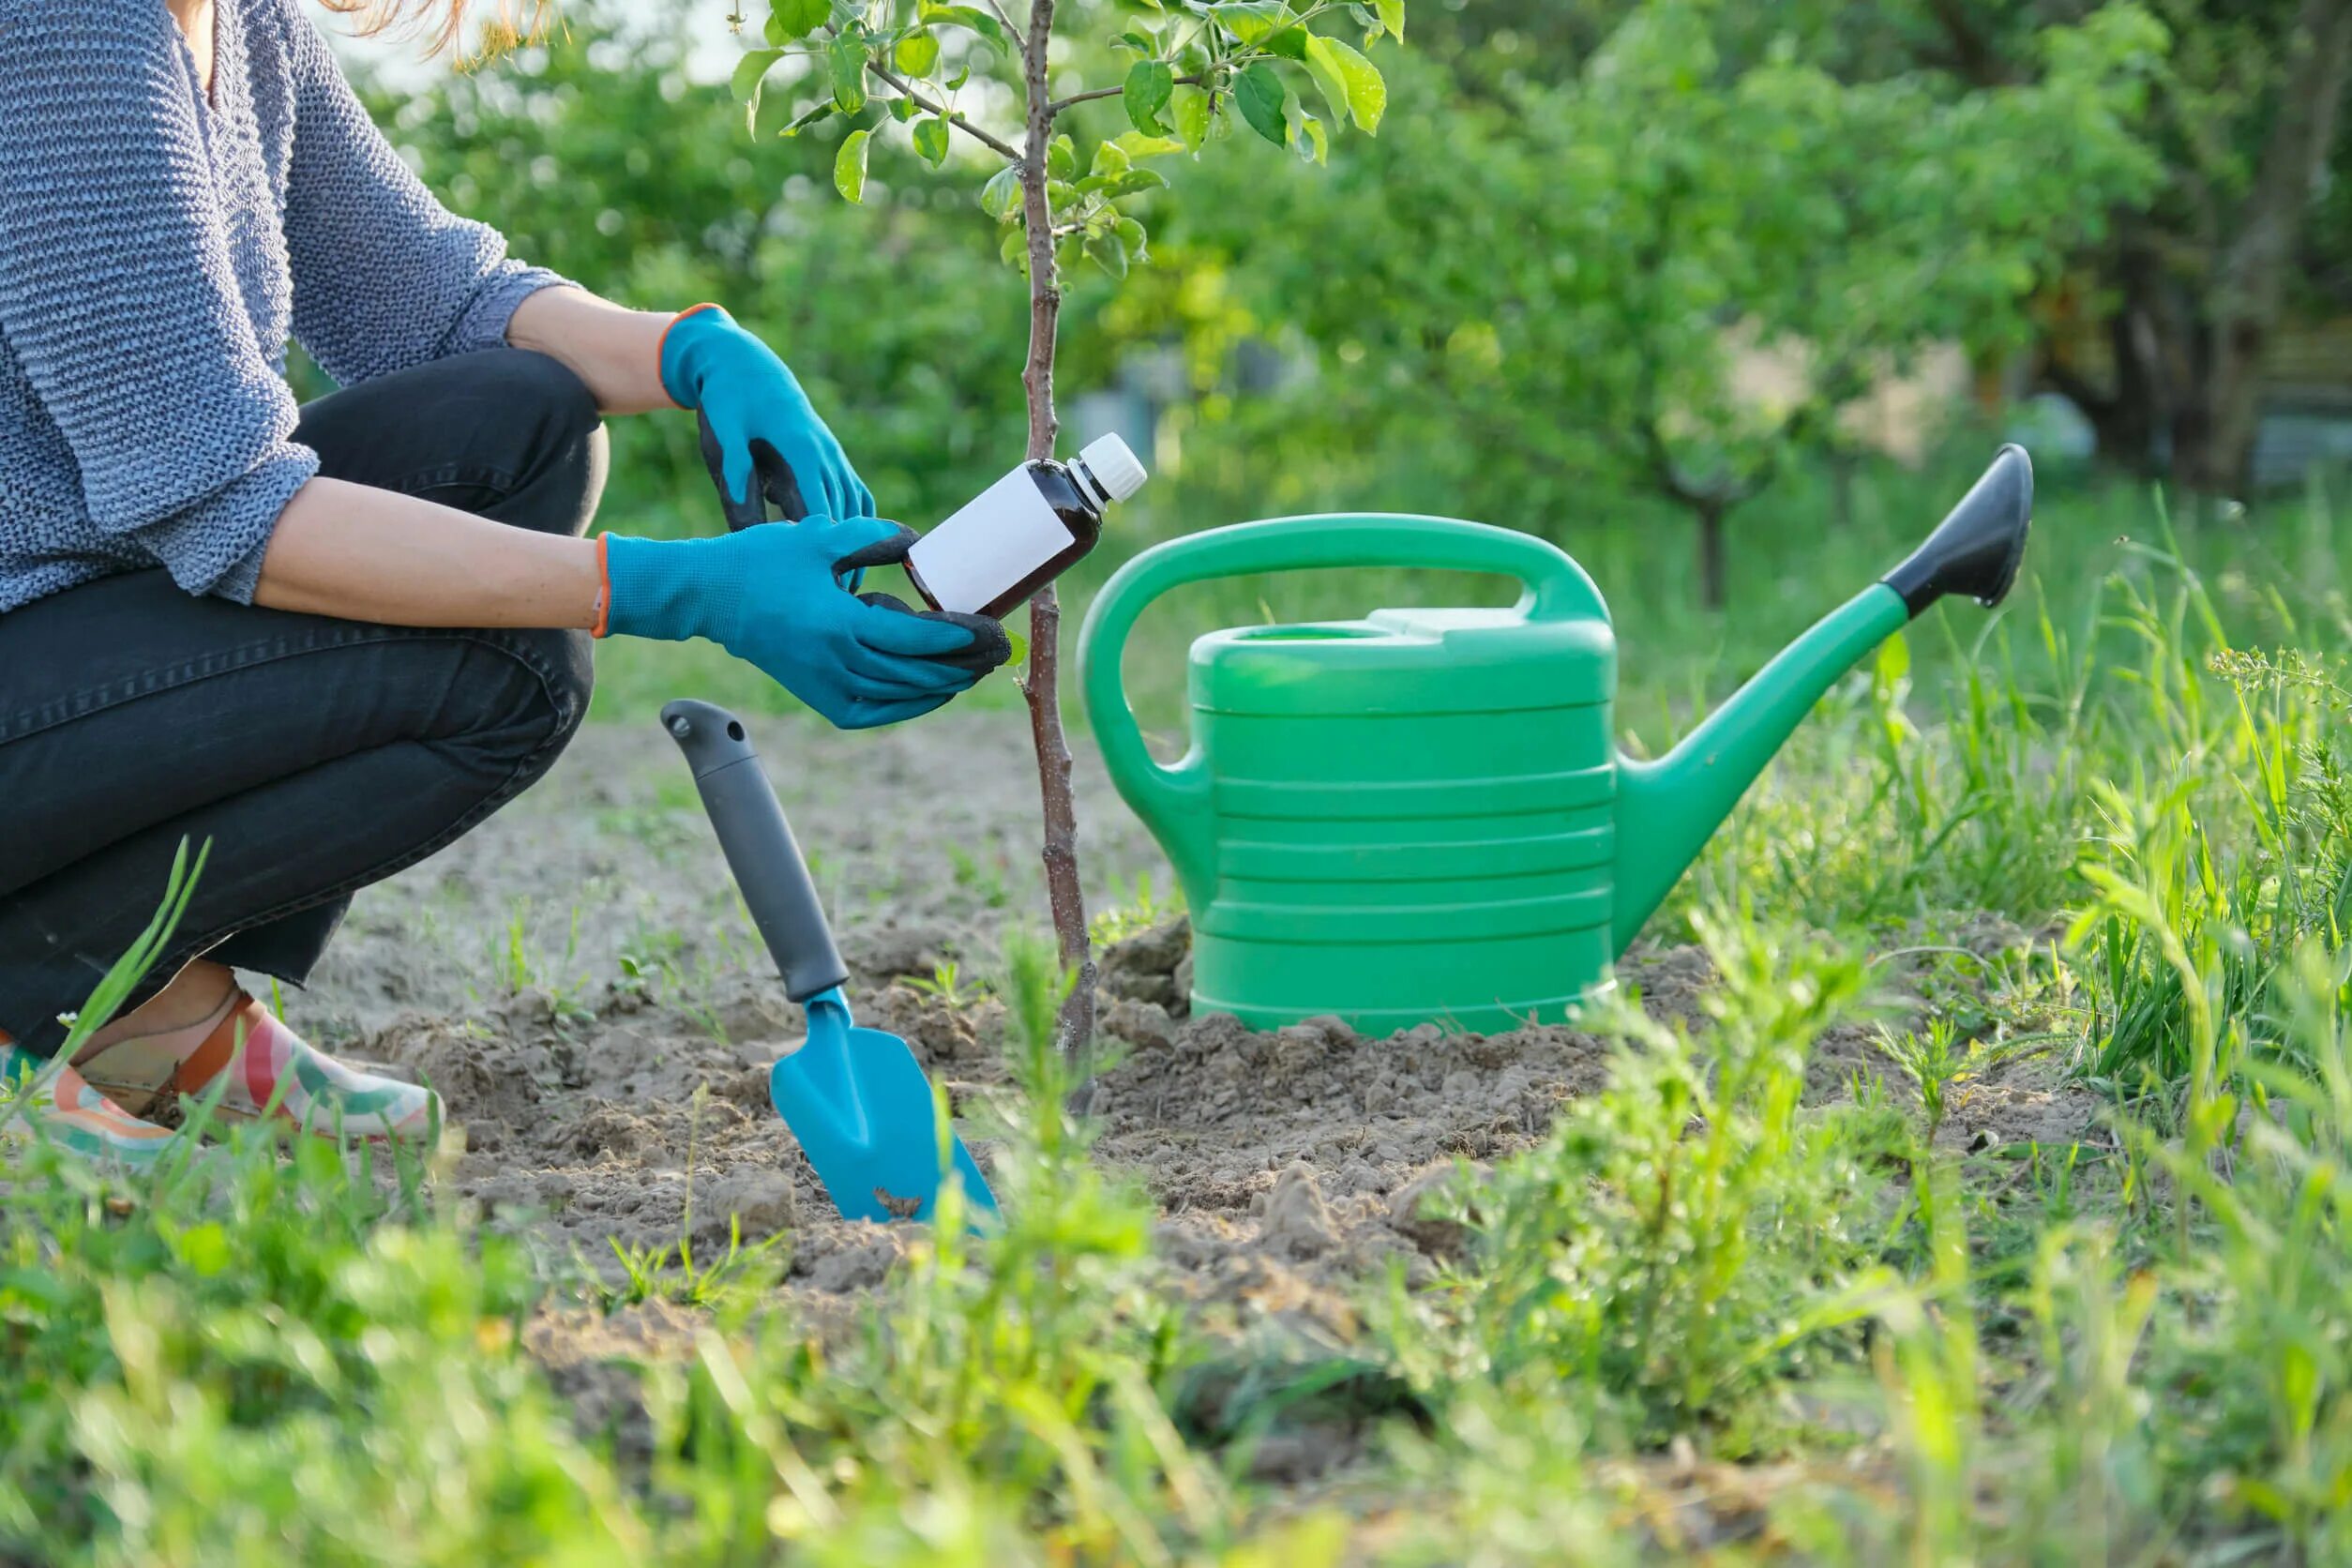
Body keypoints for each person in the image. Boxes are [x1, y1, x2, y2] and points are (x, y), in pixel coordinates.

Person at [0, 0, 1008, 1163]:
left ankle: (140, 1008)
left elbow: (439, 301)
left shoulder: (241, 21)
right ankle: (66, 990)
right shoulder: (61, 25)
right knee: (509, 679)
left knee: (521, 420)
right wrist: (677, 587)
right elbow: (226, 505)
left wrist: (692, 349)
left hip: (69, 626)